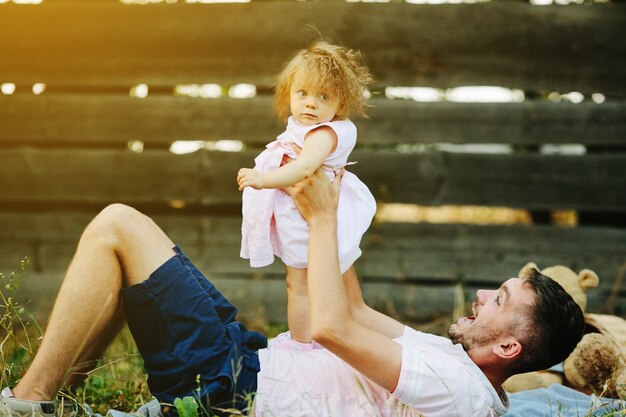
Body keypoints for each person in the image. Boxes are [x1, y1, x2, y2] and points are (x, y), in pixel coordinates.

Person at [1, 170, 584, 417]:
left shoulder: (457, 391)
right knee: (130, 262)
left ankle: (27, 403)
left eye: (501, 299)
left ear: (508, 349)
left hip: (235, 390)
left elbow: (331, 327)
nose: (484, 294)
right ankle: (52, 396)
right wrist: (335, 199)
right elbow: (352, 308)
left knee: (117, 225)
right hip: (250, 360)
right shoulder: (452, 360)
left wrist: (325, 220)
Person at [236, 40, 376, 343]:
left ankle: (303, 348)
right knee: (302, 284)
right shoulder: (302, 125)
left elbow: (303, 168)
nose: (311, 103)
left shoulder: (328, 132)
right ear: (290, 95)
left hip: (311, 219)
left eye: (323, 96)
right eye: (303, 93)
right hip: (299, 215)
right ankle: (313, 340)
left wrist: (263, 178)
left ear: (339, 104)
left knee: (301, 286)